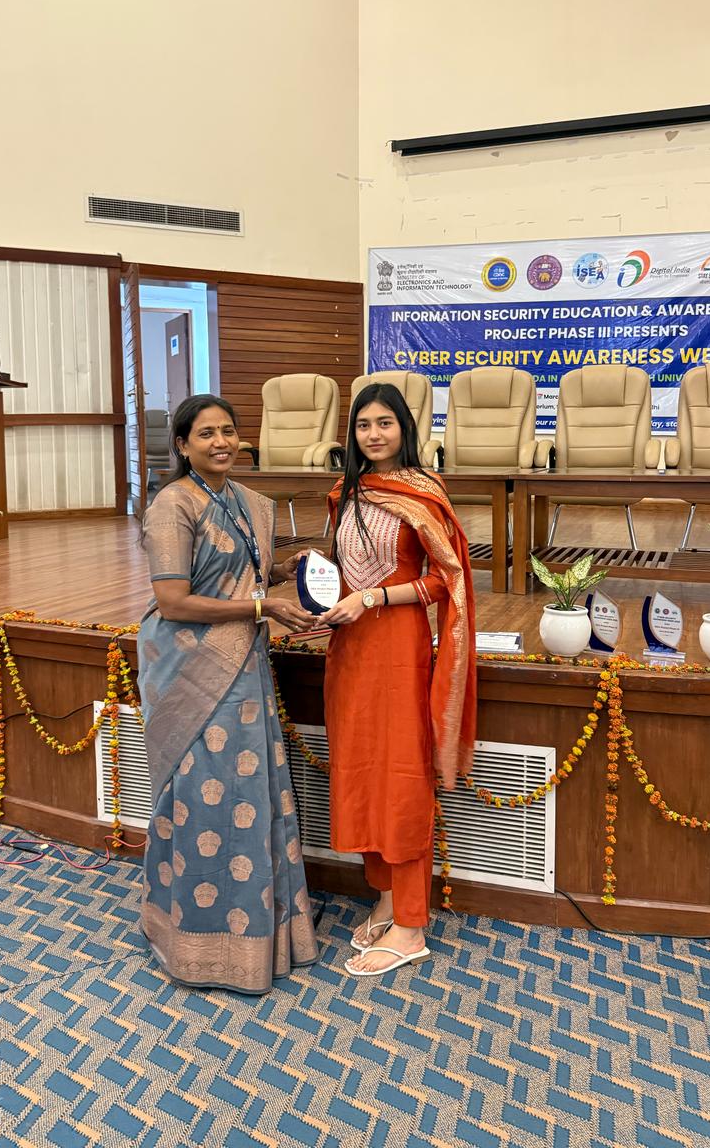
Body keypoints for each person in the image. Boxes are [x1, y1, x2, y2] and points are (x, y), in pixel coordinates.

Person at [137, 393, 320, 993]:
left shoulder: (244, 501)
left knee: (249, 790)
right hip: (191, 668)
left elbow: (241, 574)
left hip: (243, 662)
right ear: (183, 445)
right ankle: (195, 938)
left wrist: (284, 571)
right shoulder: (173, 505)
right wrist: (263, 607)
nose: (221, 443)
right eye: (206, 434)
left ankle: (259, 931)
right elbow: (173, 601)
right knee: (203, 793)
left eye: (228, 431)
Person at [317, 383, 477, 977]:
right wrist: (322, 594)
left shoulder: (424, 492)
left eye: (385, 423)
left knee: (402, 775)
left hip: (400, 647)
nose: (374, 434)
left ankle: (411, 924)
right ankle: (384, 896)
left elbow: (445, 580)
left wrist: (375, 597)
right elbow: (343, 572)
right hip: (350, 649)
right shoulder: (344, 493)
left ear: (405, 429)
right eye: (364, 425)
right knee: (359, 768)